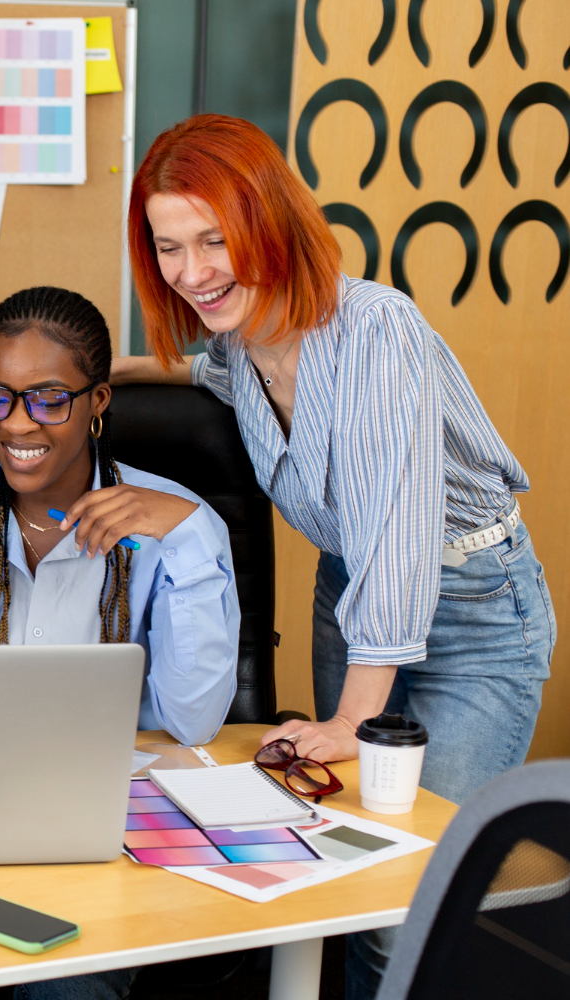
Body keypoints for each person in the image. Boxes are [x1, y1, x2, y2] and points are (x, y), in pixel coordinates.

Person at [117, 114, 554, 997]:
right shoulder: (242, 341)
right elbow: (217, 377)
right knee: (349, 881)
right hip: (352, 602)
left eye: (215, 240)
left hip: (469, 610)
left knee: (408, 903)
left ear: (269, 223)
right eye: (169, 247)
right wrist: (108, 372)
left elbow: (397, 540)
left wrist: (349, 727)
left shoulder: (375, 333)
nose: (192, 272)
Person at [0, 287, 239, 1000]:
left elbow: (191, 720)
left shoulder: (178, 527)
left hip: (105, 832)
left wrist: (192, 531)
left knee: (64, 987)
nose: (18, 423)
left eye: (49, 398)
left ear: (98, 401)